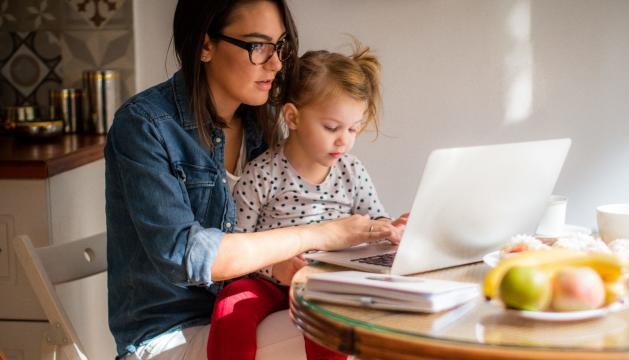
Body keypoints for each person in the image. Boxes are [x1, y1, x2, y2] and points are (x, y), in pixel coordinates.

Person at [104, 1, 402, 358]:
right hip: (172, 334)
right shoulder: (144, 125)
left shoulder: (260, 122)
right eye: (257, 46)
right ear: (205, 44)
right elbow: (188, 255)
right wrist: (319, 235)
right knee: (355, 330)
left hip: (254, 307)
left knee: (370, 314)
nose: (275, 63)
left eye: (280, 46)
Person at [207, 41, 408, 359]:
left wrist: (390, 228)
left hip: (327, 277)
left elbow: (373, 221)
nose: (344, 139)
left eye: (354, 129)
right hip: (267, 280)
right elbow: (238, 247)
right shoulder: (263, 172)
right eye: (331, 127)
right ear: (293, 117)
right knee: (231, 306)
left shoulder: (351, 171)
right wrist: (276, 269)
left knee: (329, 322)